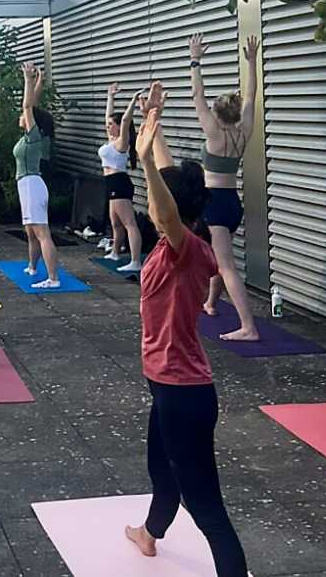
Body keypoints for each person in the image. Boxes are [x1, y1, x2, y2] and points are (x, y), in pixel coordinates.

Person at [125, 85, 249, 577]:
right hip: (169, 385)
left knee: (209, 510)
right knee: (161, 466)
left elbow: (164, 208)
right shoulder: (180, 242)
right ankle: (149, 535)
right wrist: (152, 119)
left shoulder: (186, 249)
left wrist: (147, 167)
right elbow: (172, 192)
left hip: (184, 391)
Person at [190, 33, 259, 341]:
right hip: (232, 202)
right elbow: (251, 96)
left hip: (215, 203)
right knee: (220, 258)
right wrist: (252, 62)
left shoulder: (214, 134)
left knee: (227, 265)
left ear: (218, 115)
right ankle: (210, 303)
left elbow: (197, 95)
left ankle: (248, 327)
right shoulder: (243, 131)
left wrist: (195, 61)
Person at [14, 63, 60, 288]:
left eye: (25, 114)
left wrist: (27, 78)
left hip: (32, 184)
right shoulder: (31, 136)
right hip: (27, 185)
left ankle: (53, 278)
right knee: (31, 233)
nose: (21, 115)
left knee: (42, 233)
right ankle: (33, 266)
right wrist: (37, 81)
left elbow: (28, 105)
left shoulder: (34, 137)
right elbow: (32, 104)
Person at [101, 83, 143, 272]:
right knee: (115, 223)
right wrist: (110, 96)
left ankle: (135, 261)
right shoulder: (111, 140)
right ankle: (116, 252)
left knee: (129, 223)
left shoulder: (122, 142)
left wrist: (133, 99)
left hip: (119, 183)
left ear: (119, 127)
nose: (108, 127)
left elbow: (126, 120)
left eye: (112, 124)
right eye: (108, 125)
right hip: (111, 183)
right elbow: (108, 118)